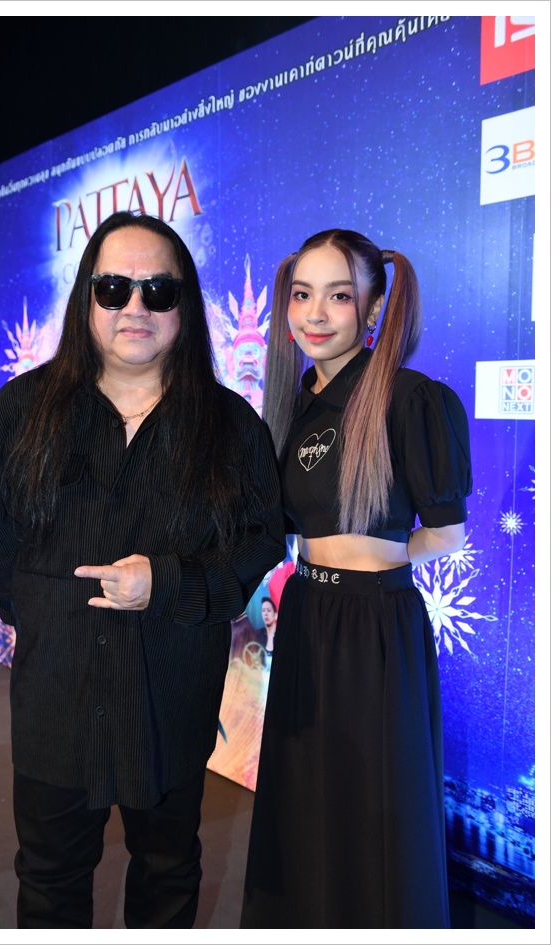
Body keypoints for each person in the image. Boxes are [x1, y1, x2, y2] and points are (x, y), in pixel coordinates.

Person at [0, 211, 285, 929]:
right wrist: (36, 605)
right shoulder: (22, 410)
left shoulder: (231, 426)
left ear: (183, 306)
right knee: (49, 880)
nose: (135, 306)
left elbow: (259, 539)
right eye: (114, 288)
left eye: (157, 291)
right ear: (88, 299)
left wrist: (168, 582)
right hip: (56, 701)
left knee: (167, 874)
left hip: (170, 696)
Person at [241, 229, 472, 929]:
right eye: (301, 295)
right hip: (306, 616)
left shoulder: (411, 399)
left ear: (372, 309)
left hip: (376, 627)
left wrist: (374, 560)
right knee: (306, 800)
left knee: (376, 809)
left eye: (339, 296)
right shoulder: (291, 405)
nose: (315, 314)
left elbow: (447, 535)